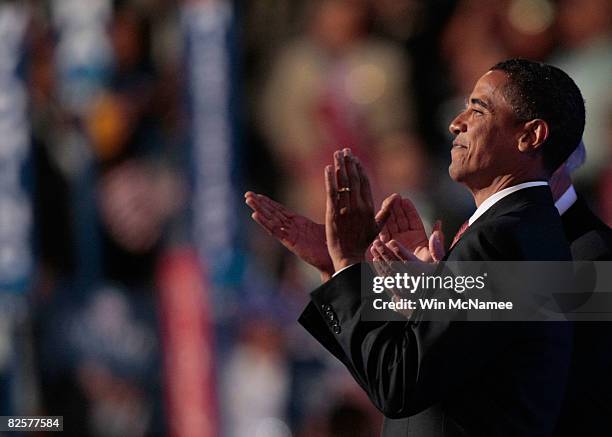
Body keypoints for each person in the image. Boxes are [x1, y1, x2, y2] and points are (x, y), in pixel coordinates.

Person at [247, 59, 585, 435]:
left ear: (530, 136)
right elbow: (400, 374)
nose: (456, 122)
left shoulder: (500, 239)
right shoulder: (522, 230)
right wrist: (340, 271)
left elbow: (400, 384)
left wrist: (351, 267)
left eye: (478, 108)